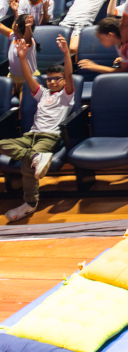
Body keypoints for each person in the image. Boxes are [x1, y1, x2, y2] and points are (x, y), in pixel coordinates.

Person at [2, 35, 74, 224]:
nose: (52, 82)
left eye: (56, 79)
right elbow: (28, 77)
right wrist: (22, 57)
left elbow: (69, 75)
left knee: (27, 164)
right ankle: (34, 156)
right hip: (31, 136)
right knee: (6, 146)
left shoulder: (66, 96)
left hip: (49, 137)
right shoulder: (42, 94)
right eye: (49, 79)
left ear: (63, 82)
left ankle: (30, 204)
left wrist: (66, 53)